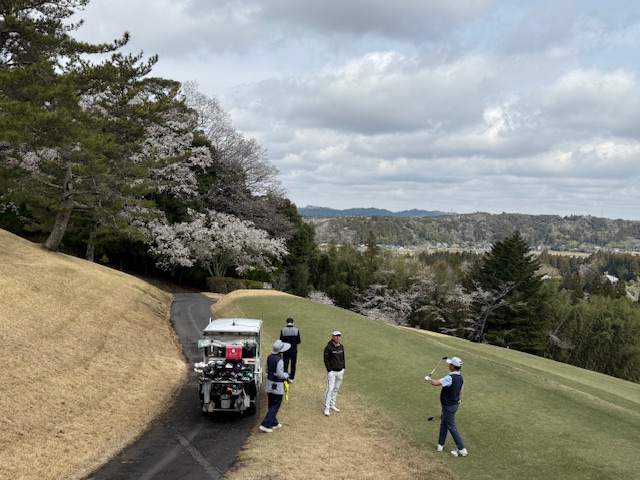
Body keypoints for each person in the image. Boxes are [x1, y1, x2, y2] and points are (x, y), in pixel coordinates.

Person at [425, 356, 467, 457]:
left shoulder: (450, 378)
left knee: (451, 426)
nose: (449, 366)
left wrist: (428, 379)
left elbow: (435, 383)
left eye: (450, 364)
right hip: (452, 405)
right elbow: (460, 391)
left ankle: (462, 449)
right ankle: (440, 445)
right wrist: (457, 398)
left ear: (452, 366)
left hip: (449, 406)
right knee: (444, 424)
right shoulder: (461, 378)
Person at [259, 340, 291, 433]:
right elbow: (280, 374)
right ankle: (265, 424)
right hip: (277, 385)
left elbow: (266, 369)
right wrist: (286, 375)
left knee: (271, 403)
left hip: (269, 383)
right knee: (276, 404)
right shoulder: (279, 360)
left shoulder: (269, 357)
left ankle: (274, 422)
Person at [323, 330, 345, 416]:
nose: (338, 338)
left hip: (340, 371)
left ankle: (332, 404)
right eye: (336, 336)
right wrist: (329, 370)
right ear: (332, 337)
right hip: (332, 372)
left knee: (336, 388)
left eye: (339, 336)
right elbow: (326, 360)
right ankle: (327, 407)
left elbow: (343, 358)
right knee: (330, 389)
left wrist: (343, 367)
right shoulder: (328, 348)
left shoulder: (341, 347)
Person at [280, 317, 301, 381]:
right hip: (293, 349)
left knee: (285, 363)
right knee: (293, 364)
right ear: (292, 322)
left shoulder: (283, 330)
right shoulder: (296, 330)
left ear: (286, 322)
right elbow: (298, 341)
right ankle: (291, 377)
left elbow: (281, 340)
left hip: (286, 350)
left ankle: (285, 376)